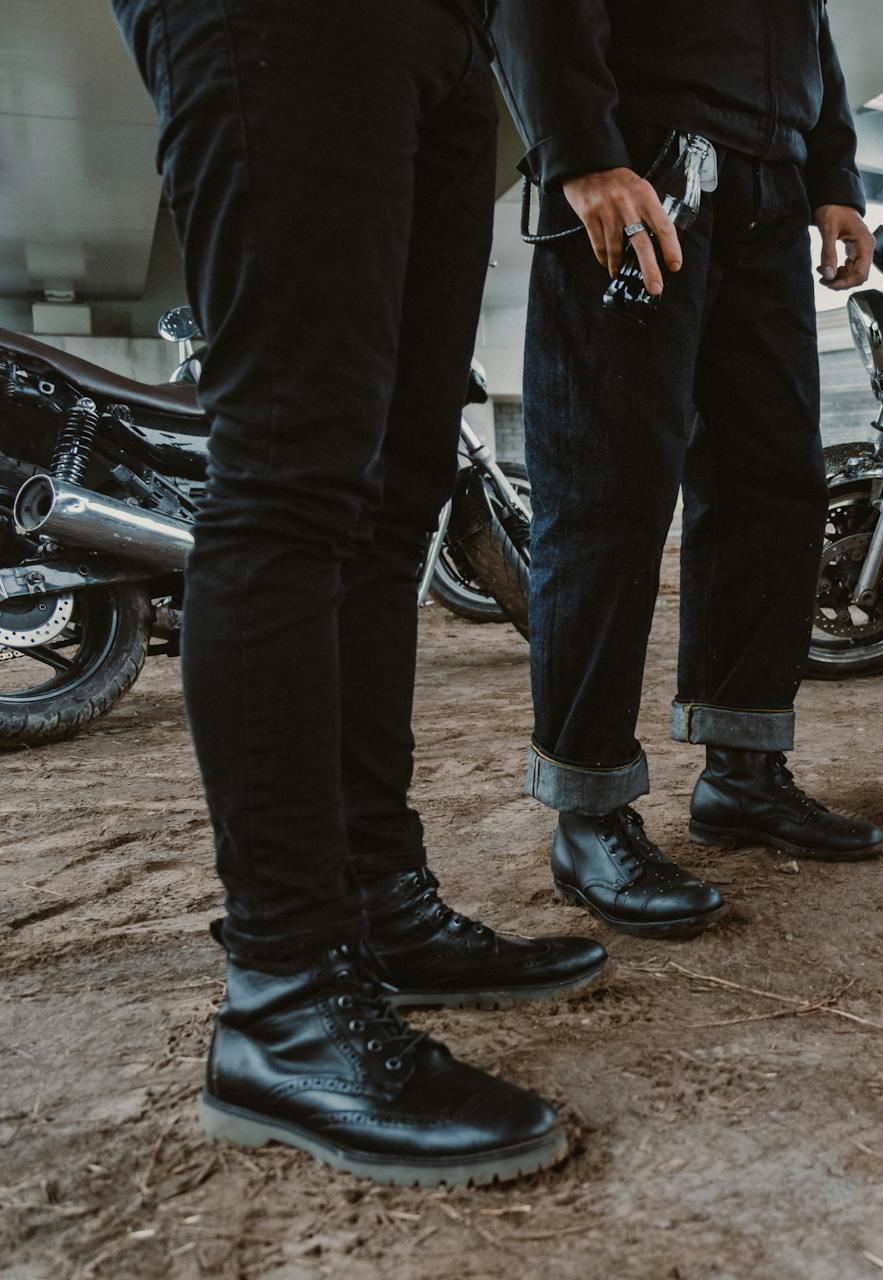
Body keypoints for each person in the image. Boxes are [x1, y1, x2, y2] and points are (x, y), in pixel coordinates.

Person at [107, 0, 606, 1185]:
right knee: (290, 468)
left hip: (442, 35)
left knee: (393, 492)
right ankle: (285, 996)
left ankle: (379, 898)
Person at [490, 0, 883, 938]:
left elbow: (808, 22)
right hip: (640, 166)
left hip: (771, 186)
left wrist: (833, 172)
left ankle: (743, 774)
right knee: (607, 491)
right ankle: (587, 816)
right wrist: (578, 146)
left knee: (774, 486)